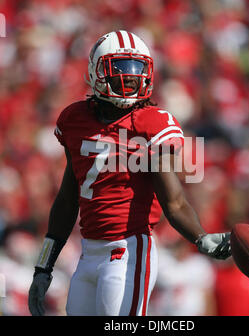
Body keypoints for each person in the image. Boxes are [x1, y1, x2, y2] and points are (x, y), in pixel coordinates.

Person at [28, 30, 231, 316]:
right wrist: (43, 266)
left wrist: (200, 237)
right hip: (88, 252)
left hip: (129, 251)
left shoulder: (151, 124)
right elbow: (66, 199)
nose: (131, 77)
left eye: (137, 69)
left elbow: (173, 202)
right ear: (97, 70)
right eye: (121, 68)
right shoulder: (74, 119)